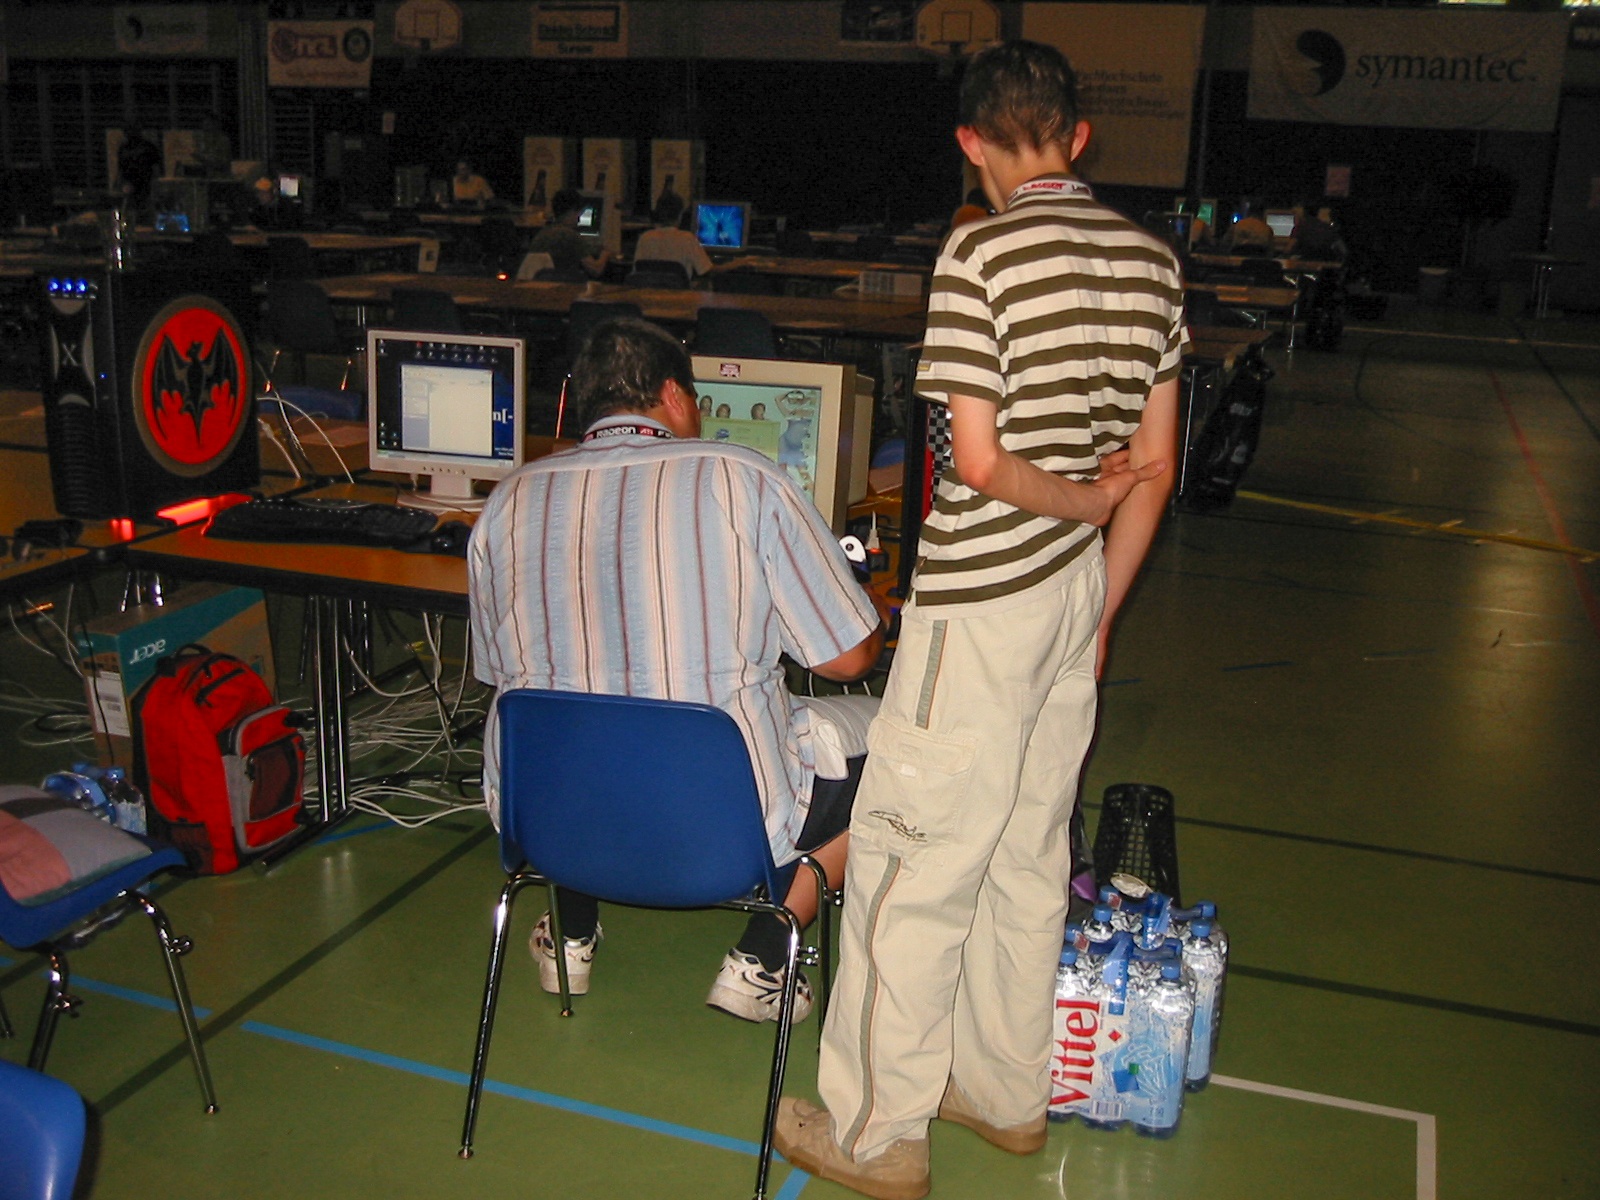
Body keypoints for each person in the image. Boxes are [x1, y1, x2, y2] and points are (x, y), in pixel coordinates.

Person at [774, 40, 1182, 1200]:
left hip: (979, 603)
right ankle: (1005, 1094)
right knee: (1024, 852)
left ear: (970, 142)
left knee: (908, 862)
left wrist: (1082, 500)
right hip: (1070, 600)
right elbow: (1154, 465)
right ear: (1077, 134)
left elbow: (985, 462)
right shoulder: (1152, 264)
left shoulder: (979, 253)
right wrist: (1098, 594)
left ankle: (876, 1135)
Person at [467, 318, 887, 1024]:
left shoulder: (507, 500)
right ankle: (764, 958)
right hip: (724, 831)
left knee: (575, 704)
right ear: (672, 395)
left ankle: (570, 935)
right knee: (904, 747)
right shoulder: (746, 479)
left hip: (546, 820)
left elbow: (501, 671)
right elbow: (847, 661)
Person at [528, 187, 609, 280]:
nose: (579, 218)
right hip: (564, 284)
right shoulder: (570, 236)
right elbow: (596, 270)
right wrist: (606, 253)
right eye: (580, 212)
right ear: (572, 211)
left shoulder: (542, 234)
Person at [633, 191, 712, 280]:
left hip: (650, 288)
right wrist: (725, 266)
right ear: (680, 215)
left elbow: (637, 271)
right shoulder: (687, 238)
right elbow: (705, 269)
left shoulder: (645, 237)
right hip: (678, 289)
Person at [116, 124, 163, 212]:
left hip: (146, 182)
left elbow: (156, 165)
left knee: (146, 206)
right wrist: (121, 182)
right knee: (131, 207)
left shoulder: (148, 147)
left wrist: (155, 183)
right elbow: (121, 167)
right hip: (129, 182)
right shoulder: (124, 148)